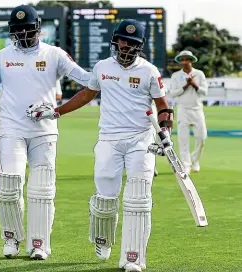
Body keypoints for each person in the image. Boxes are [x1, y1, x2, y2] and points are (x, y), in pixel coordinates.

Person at [27, 19, 173, 271]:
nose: (126, 48)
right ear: (115, 42)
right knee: (105, 197)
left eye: (133, 44)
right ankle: (103, 240)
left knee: (138, 198)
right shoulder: (102, 67)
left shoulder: (149, 71)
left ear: (140, 46)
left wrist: (165, 130)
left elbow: (163, 106)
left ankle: (133, 258)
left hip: (140, 139)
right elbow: (86, 94)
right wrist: (58, 111)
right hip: (108, 140)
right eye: (123, 42)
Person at [0, 5, 90, 260]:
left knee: (42, 189)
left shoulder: (54, 54)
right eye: (18, 29)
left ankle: (39, 244)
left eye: (28, 28)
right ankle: (11, 238)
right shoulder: (2, 56)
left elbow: (86, 79)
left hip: (44, 131)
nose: (23, 34)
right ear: (12, 31)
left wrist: (110, 75)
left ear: (38, 28)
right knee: (8, 184)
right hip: (11, 129)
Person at [170, 50, 208, 174]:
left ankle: (195, 160)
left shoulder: (199, 74)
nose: (185, 61)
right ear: (181, 61)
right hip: (183, 109)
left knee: (202, 137)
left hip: (197, 109)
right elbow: (173, 93)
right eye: (183, 59)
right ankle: (186, 164)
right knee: (183, 138)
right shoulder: (176, 76)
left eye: (187, 59)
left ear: (191, 60)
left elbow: (204, 92)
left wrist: (194, 84)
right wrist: (186, 85)